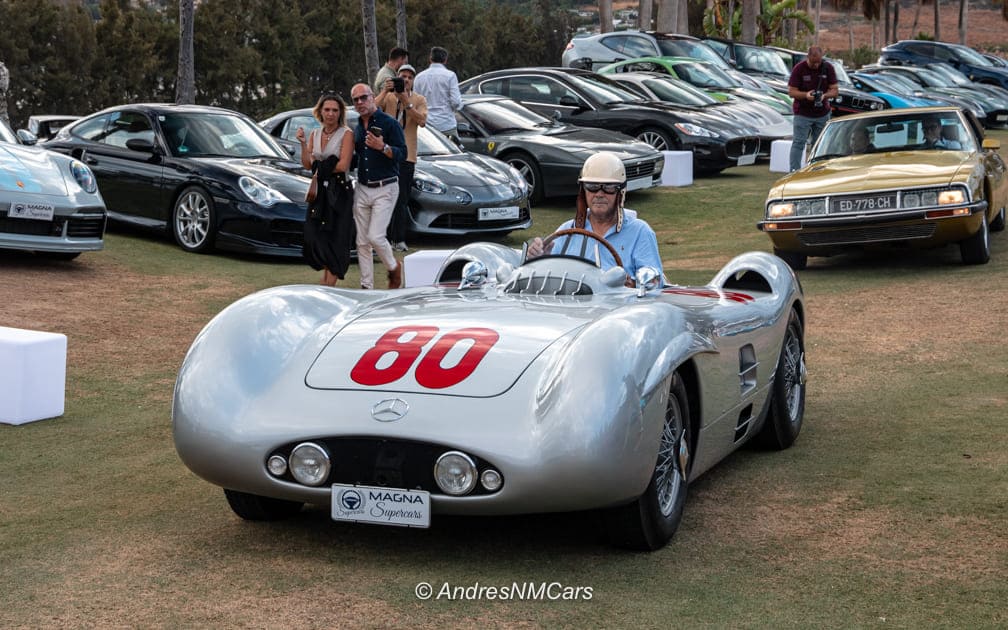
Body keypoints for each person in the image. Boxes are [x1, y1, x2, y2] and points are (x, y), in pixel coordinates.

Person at [526, 152, 664, 287]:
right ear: (583, 191)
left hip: (621, 307)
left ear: (620, 192)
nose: (599, 194)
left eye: (609, 188)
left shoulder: (640, 231)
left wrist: (631, 283)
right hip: (572, 306)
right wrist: (539, 258)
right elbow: (547, 278)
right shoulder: (567, 231)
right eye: (592, 187)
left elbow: (654, 282)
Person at [349, 83, 407, 289]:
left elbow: (403, 154)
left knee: (375, 236)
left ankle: (393, 268)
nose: (360, 103)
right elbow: (357, 159)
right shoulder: (356, 126)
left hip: (386, 186)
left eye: (363, 97)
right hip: (363, 186)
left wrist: (383, 147)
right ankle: (367, 287)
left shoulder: (389, 123)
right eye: (355, 100)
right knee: (362, 241)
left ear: (373, 97)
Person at [295, 93, 354, 287]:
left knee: (336, 238)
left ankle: (328, 286)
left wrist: (319, 166)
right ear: (320, 111)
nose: (330, 114)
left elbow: (343, 165)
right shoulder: (315, 134)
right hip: (320, 193)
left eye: (335, 110)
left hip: (339, 192)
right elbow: (306, 163)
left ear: (340, 113)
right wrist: (303, 144)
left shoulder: (346, 134)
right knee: (314, 236)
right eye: (327, 109)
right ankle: (325, 283)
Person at [376, 63, 428, 253]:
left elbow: (422, 121)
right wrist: (384, 91)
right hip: (386, 153)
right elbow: (371, 109)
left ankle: (399, 239)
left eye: (409, 77)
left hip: (407, 155)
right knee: (383, 197)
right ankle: (382, 238)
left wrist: (406, 102)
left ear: (413, 81)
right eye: (402, 76)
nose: (405, 80)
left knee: (402, 198)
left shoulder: (419, 99)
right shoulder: (388, 98)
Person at [788, 46, 839, 172]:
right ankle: (794, 170)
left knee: (819, 144)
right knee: (799, 142)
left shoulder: (828, 68)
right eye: (813, 62)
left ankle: (816, 170)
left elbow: (835, 90)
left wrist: (824, 95)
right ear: (808, 57)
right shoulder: (799, 69)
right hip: (802, 113)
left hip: (822, 113)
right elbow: (791, 92)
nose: (816, 65)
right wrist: (806, 95)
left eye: (818, 62)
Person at [412, 46, 462, 141]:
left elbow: (415, 103)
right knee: (453, 153)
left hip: (427, 126)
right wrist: (459, 106)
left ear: (430, 59)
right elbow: (456, 102)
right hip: (446, 125)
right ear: (445, 60)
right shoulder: (450, 76)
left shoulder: (419, 77)